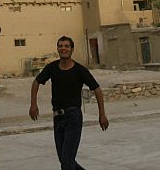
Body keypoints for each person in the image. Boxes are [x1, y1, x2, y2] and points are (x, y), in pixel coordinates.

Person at [30, 36, 108, 170]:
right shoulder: (52, 68)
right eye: (60, 46)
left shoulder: (80, 70)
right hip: (57, 117)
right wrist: (33, 104)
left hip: (73, 117)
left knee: (67, 160)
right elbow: (36, 82)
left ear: (72, 49)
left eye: (66, 46)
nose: (63, 48)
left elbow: (97, 89)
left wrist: (102, 115)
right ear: (57, 49)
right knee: (64, 159)